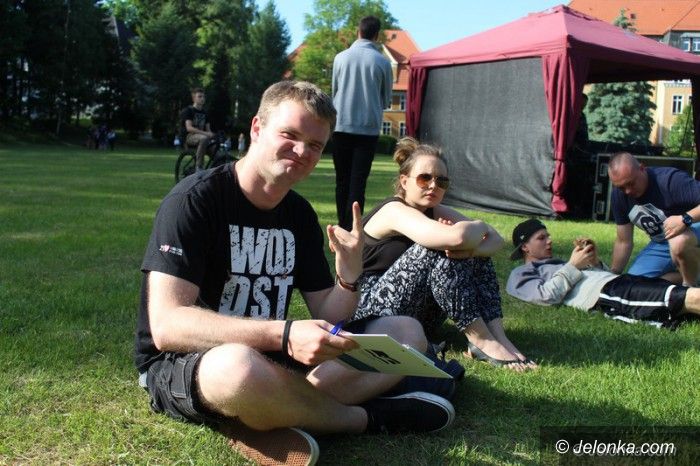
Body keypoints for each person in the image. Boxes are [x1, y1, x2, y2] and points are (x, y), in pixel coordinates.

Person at [135, 81, 455, 466]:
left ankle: (272, 411)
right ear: (257, 128)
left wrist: (348, 277)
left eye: (316, 145)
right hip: (189, 363)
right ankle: (361, 419)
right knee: (239, 368)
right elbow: (168, 326)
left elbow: (330, 313)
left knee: (407, 332)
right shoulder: (195, 200)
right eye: (289, 135)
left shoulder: (298, 213)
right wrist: (283, 334)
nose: (302, 152)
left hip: (273, 359)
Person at [351, 137, 536, 371]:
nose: (433, 186)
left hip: (414, 317)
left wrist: (470, 248)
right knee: (438, 248)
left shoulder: (434, 210)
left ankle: (498, 336)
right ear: (404, 181)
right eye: (424, 178)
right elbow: (456, 238)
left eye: (442, 181)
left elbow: (496, 240)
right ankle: (481, 340)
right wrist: (477, 228)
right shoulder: (393, 210)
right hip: (369, 314)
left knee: (468, 253)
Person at [506, 219, 700, 327]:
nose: (549, 240)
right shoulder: (521, 273)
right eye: (541, 238)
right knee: (684, 298)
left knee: (682, 297)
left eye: (548, 236)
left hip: (621, 282)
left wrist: (594, 261)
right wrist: (573, 265)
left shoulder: (558, 263)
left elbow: (603, 275)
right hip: (609, 294)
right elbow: (545, 297)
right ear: (525, 247)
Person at [331, 15, 393, 230]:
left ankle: (343, 224)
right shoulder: (383, 62)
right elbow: (386, 99)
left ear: (358, 31)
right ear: (377, 35)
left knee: (342, 181)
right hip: (368, 129)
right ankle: (354, 228)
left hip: (341, 125)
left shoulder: (340, 58)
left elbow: (335, 91)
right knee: (358, 183)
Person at [608, 152, 700, 286]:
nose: (627, 191)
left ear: (642, 168)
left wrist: (685, 219)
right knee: (634, 284)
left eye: (631, 183)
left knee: (679, 241)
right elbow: (623, 241)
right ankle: (693, 274)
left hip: (692, 229)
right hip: (663, 242)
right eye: (621, 187)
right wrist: (612, 276)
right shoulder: (619, 196)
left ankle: (690, 289)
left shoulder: (670, 180)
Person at [179, 87, 215, 172]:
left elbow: (208, 130)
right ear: (194, 98)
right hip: (189, 137)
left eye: (203, 96)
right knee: (204, 138)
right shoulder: (188, 111)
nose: (202, 98)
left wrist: (212, 135)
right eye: (199, 96)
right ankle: (199, 167)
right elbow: (189, 128)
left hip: (202, 137)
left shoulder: (205, 113)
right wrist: (206, 134)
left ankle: (216, 170)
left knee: (216, 149)